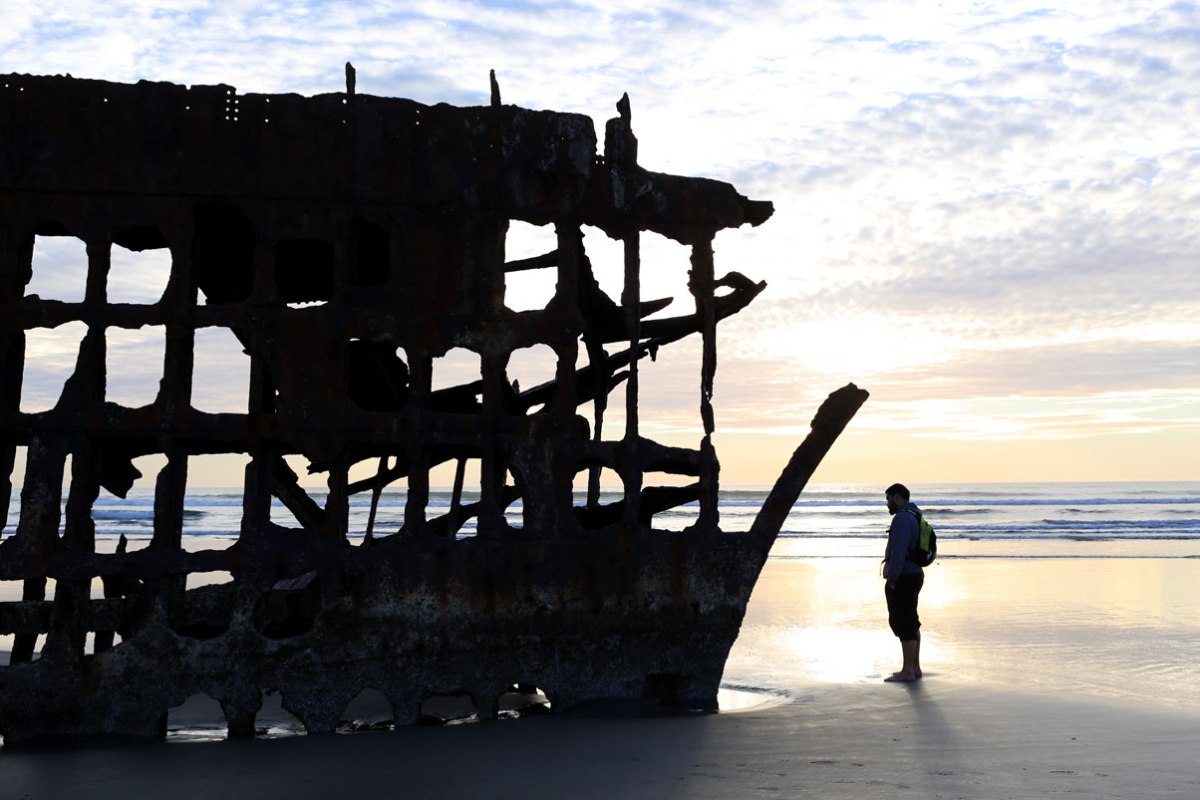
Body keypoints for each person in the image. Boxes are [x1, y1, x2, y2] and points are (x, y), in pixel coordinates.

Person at [882, 483, 924, 682]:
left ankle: (907, 671)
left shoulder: (902, 518)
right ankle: (914, 668)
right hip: (914, 574)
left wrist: (892, 580)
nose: (887, 504)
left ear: (897, 497)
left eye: (888, 499)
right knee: (911, 621)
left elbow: (898, 553)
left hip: (904, 577)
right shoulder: (915, 514)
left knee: (903, 623)